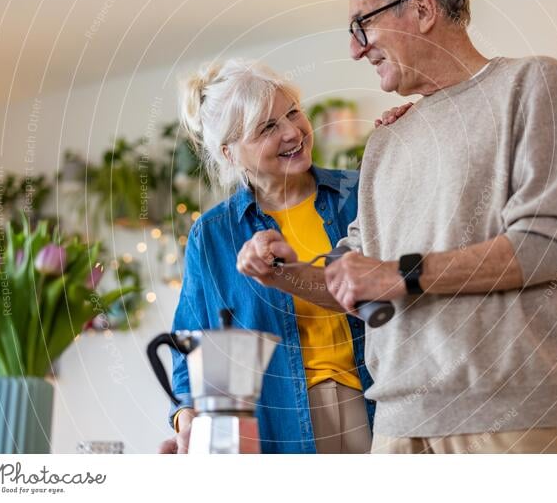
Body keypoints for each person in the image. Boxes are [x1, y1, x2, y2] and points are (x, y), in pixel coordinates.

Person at [237, 0, 557, 454]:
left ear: (423, 9)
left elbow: (554, 247)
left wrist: (397, 273)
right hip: (397, 430)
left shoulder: (534, 84)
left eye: (362, 25)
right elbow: (359, 285)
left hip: (510, 420)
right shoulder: (386, 137)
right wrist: (284, 274)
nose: (355, 49)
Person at [157, 58, 409, 454]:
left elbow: (404, 281)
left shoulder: (359, 194)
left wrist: (408, 139)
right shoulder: (212, 235)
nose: (293, 132)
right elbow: (192, 341)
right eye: (268, 127)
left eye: (293, 112)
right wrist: (186, 414)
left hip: (376, 402)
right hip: (280, 421)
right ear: (230, 153)